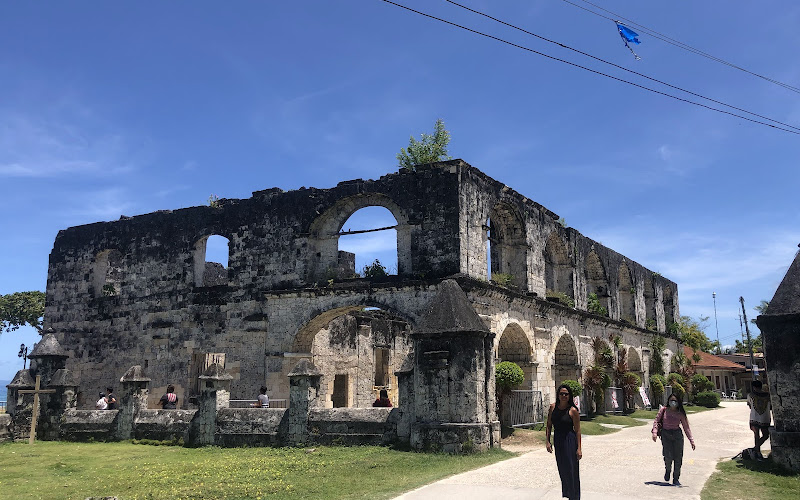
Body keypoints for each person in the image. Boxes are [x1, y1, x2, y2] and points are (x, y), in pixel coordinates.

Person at [546, 384, 581, 500]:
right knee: (562, 468)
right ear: (558, 395)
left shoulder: (573, 411)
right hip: (558, 440)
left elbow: (578, 431)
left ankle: (574, 496)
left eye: (566, 394)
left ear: (569, 396)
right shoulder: (552, 408)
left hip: (570, 440)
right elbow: (549, 425)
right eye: (561, 394)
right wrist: (547, 441)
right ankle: (567, 493)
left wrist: (579, 448)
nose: (564, 396)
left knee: (571, 469)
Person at [652, 393, 696, 486]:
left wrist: (691, 440)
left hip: (677, 435)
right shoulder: (663, 410)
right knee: (667, 456)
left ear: (678, 402)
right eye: (671, 400)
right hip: (666, 434)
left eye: (675, 401)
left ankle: (676, 478)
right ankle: (668, 470)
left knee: (678, 458)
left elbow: (686, 427)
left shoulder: (680, 413)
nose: (673, 403)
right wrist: (654, 432)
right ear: (668, 401)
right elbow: (656, 421)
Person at [747, 380, 771, 460]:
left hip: (754, 417)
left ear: (753, 387)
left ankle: (756, 450)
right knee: (765, 435)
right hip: (765, 418)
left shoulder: (750, 395)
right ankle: (756, 450)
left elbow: (750, 405)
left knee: (756, 435)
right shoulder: (768, 395)